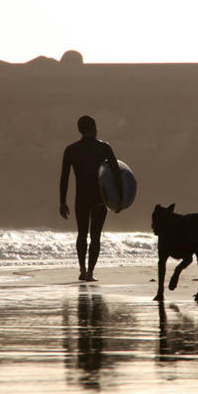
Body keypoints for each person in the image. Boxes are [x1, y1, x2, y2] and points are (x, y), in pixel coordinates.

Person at [59, 116, 122, 281]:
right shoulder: (104, 148)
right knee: (95, 236)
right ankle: (91, 273)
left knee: (82, 234)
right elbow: (116, 174)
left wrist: (62, 201)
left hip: (81, 198)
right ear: (94, 128)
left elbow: (64, 178)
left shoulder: (71, 150)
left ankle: (82, 270)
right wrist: (120, 199)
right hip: (100, 198)